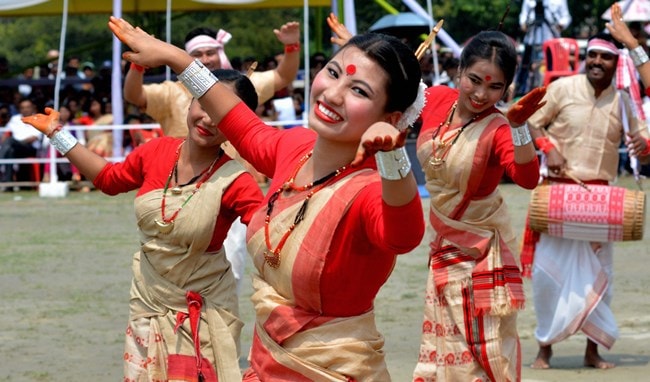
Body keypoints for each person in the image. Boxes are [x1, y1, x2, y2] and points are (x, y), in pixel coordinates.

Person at [110, 16, 426, 380]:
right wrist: (175, 58)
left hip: (333, 368)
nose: (333, 94)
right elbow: (237, 119)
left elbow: (403, 236)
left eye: (360, 91)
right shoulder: (294, 148)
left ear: (392, 116)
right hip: (264, 362)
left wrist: (392, 156)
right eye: (334, 72)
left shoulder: (368, 188)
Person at [21, 69, 264, 381]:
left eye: (223, 113)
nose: (209, 119)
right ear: (190, 102)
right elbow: (110, 180)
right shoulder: (157, 151)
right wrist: (58, 133)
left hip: (203, 315)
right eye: (204, 105)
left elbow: (267, 234)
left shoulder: (236, 181)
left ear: (237, 122)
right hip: (147, 306)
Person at [411, 31, 543, 381]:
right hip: (442, 245)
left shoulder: (499, 127)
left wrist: (519, 127)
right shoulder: (436, 99)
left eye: (495, 87)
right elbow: (391, 85)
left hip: (479, 252)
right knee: (445, 344)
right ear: (459, 72)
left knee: (481, 346)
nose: (481, 94)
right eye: (474, 80)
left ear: (506, 90)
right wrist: (356, 48)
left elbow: (527, 178)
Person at [522, 31, 650, 370]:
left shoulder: (623, 101)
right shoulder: (562, 88)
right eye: (592, 55)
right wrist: (549, 150)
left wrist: (645, 148)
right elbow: (530, 123)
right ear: (585, 58)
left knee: (600, 276)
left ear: (615, 62)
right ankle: (544, 348)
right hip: (559, 195)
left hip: (600, 203)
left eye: (605, 57)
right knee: (549, 277)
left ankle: (592, 352)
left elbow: (641, 140)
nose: (596, 62)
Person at [123, 22, 301, 138]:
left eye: (210, 53)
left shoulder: (240, 85)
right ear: (186, 58)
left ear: (220, 53)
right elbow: (134, 96)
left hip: (234, 178)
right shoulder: (172, 91)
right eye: (197, 55)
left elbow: (282, 76)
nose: (206, 60)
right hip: (184, 179)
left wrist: (291, 46)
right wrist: (138, 64)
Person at [515, 0, 572, 96]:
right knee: (525, 67)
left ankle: (551, 92)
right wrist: (523, 24)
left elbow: (566, 17)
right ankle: (521, 91)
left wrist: (560, 25)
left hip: (551, 40)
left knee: (550, 69)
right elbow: (523, 16)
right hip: (531, 38)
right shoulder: (529, 1)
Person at [0, 97, 41, 186]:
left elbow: (34, 138)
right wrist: (4, 143)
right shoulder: (15, 119)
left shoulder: (38, 118)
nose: (25, 109)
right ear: (19, 109)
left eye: (28, 107)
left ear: (32, 107)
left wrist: (16, 142)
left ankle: (0, 162)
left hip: (30, 148)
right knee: (10, 150)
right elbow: (6, 134)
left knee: (10, 142)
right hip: (15, 148)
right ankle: (8, 185)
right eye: (23, 107)